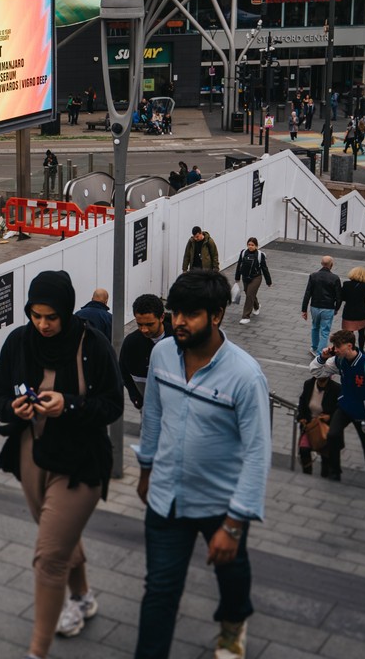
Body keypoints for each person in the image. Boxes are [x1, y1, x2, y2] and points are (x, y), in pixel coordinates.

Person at [133, 270, 272, 659]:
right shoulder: (161, 354)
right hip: (167, 496)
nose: (178, 321)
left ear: (217, 316)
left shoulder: (245, 376)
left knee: (231, 573)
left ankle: (233, 623)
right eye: (175, 312)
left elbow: (258, 452)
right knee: (159, 590)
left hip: (221, 502)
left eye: (190, 314)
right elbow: (154, 418)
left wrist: (233, 523)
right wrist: (146, 470)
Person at [0, 271, 122, 657]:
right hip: (33, 455)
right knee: (58, 538)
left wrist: (71, 404)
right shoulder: (18, 341)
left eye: (51, 317)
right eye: (36, 315)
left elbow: (112, 406)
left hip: (80, 463)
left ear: (66, 311)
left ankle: (37, 651)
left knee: (48, 557)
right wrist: (11, 409)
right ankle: (81, 596)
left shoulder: (92, 344)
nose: (43, 324)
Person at [310, 329, 365, 489]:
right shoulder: (339, 361)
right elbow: (316, 372)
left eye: (338, 346)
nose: (335, 349)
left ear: (349, 346)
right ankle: (334, 472)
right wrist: (323, 357)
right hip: (345, 408)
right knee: (332, 434)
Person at [119, 294, 172, 410]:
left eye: (149, 324)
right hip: (147, 408)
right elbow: (123, 371)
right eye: (139, 324)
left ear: (162, 317)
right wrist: (135, 396)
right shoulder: (131, 343)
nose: (144, 329)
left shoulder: (178, 339)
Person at [296, 371, 340, 476]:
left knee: (326, 456)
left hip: (325, 427)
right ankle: (307, 473)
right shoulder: (308, 384)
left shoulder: (336, 388)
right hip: (310, 425)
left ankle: (325, 475)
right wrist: (301, 417)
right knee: (304, 449)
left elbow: (339, 408)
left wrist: (330, 416)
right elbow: (302, 402)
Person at [300, 255, 342, 356]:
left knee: (315, 327)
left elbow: (308, 293)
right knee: (325, 331)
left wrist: (304, 309)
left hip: (314, 306)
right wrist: (336, 308)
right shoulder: (335, 278)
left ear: (321, 264)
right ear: (331, 264)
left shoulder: (313, 275)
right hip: (328, 308)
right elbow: (339, 296)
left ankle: (314, 347)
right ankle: (320, 352)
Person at [233, 237, 272, 326]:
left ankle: (245, 317)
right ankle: (257, 306)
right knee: (248, 293)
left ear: (256, 246)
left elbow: (264, 268)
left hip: (256, 278)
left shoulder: (259, 255)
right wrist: (237, 277)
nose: (250, 246)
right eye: (249, 245)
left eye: (252, 245)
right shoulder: (243, 253)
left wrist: (268, 281)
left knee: (250, 294)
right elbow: (239, 265)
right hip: (245, 277)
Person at [338, 265, 365, 351]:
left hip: (349, 311)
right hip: (361, 312)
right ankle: (361, 349)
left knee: (349, 333)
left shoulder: (346, 284)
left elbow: (342, 297)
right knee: (362, 332)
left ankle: (351, 348)